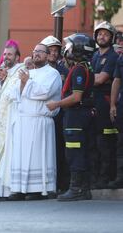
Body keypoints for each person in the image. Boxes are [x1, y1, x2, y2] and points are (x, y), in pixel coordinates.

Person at [47, 33, 96, 201]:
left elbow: (76, 97)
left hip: (76, 116)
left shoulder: (79, 70)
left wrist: (56, 104)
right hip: (82, 115)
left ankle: (76, 189)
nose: (67, 48)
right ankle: (84, 189)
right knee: (82, 151)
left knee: (74, 152)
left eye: (70, 45)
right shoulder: (86, 67)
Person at [10, 44, 62, 200]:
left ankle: (39, 189)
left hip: (40, 120)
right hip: (23, 120)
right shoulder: (28, 72)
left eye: (40, 51)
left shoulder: (53, 74)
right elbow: (14, 92)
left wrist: (27, 83)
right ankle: (20, 188)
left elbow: (45, 93)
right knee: (21, 155)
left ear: (47, 55)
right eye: (34, 51)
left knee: (37, 155)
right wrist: (23, 82)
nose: (36, 54)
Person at [0, 43, 25, 200]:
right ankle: (1, 192)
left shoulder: (21, 72)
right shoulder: (9, 74)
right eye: (5, 54)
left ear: (17, 57)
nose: (6, 57)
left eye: (10, 54)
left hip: (12, 121)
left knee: (9, 154)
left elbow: (14, 95)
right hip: (3, 120)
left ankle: (10, 190)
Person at [91, 21, 119, 189]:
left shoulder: (112, 57)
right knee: (94, 142)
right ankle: (96, 177)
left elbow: (101, 79)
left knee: (105, 142)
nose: (102, 36)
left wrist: (87, 79)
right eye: (99, 34)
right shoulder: (95, 55)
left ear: (111, 38)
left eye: (106, 34)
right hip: (95, 102)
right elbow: (95, 78)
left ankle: (105, 178)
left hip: (106, 104)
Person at [40, 35, 70, 193]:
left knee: (60, 149)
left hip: (60, 114)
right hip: (42, 116)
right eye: (50, 50)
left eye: (55, 50)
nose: (53, 53)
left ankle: (61, 184)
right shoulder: (37, 70)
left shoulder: (63, 70)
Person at [109, 45, 123, 189]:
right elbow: (117, 81)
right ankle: (120, 178)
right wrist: (113, 104)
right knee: (121, 144)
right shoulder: (121, 59)